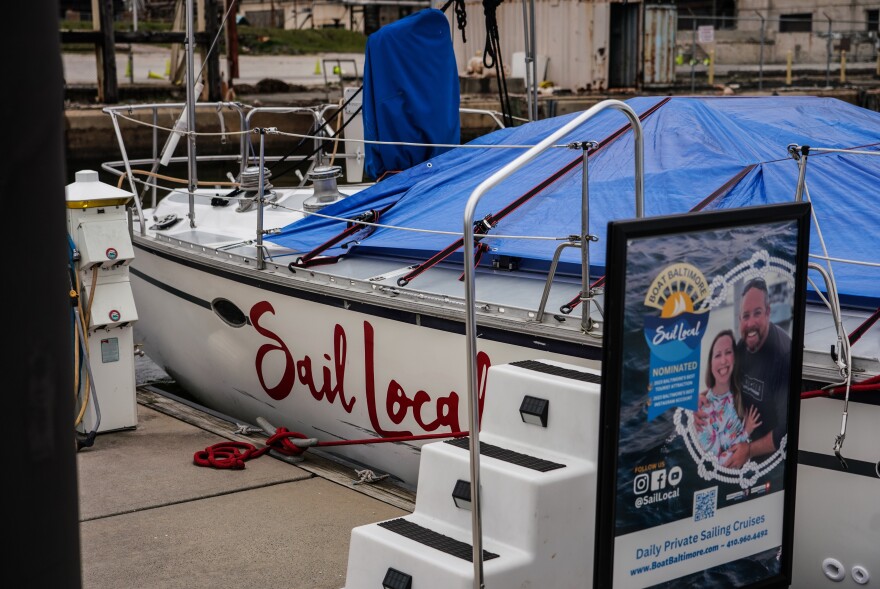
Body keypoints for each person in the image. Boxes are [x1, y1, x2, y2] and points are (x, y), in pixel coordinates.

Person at [722, 277, 792, 469]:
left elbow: (786, 430)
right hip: (742, 443)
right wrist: (702, 400)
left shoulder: (784, 356)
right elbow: (727, 385)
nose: (750, 323)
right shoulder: (742, 346)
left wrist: (749, 450)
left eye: (757, 313)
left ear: (768, 313)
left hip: (771, 466)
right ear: (740, 320)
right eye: (746, 316)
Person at [695, 330, 762, 464]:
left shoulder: (742, 393)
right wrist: (746, 432)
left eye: (728, 352)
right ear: (711, 363)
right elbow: (719, 463)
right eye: (718, 355)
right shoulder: (704, 410)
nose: (723, 360)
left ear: (735, 358)